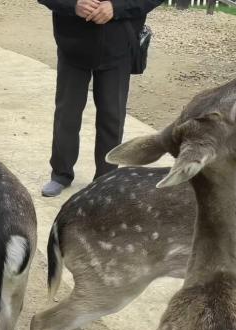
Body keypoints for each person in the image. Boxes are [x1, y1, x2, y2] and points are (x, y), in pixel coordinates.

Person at [39, 0, 163, 197]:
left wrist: (116, 7)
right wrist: (74, 5)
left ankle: (106, 178)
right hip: (72, 44)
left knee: (112, 116)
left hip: (119, 44)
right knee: (67, 113)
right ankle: (61, 174)